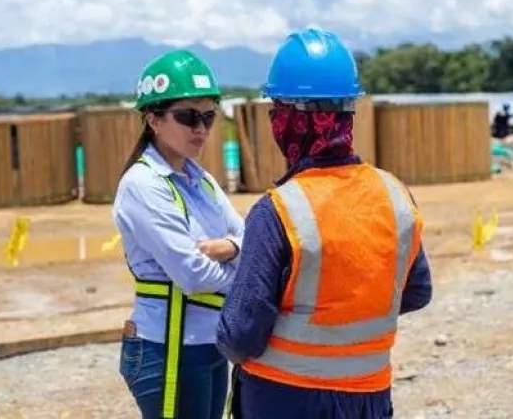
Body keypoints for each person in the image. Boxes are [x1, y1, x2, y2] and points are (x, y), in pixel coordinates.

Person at [216, 27, 433, 419]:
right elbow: (416, 291)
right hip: (369, 395)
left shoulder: (279, 210)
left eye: (276, 111)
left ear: (288, 121)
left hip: (285, 397)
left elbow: (241, 334)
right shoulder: (394, 195)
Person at [112, 49, 245, 419]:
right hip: (167, 347)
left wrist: (231, 246)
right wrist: (244, 269)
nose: (201, 128)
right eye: (188, 116)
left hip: (210, 341)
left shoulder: (199, 179)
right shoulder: (143, 185)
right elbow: (193, 275)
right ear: (153, 119)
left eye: (207, 116)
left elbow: (250, 235)